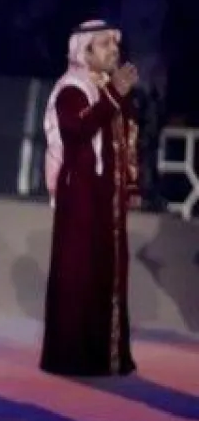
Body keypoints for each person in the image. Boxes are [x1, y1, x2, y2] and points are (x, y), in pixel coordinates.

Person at [41, 20, 139, 376]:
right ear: (85, 51)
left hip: (109, 197)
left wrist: (131, 184)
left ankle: (107, 355)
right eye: (104, 44)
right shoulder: (72, 88)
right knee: (79, 272)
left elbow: (128, 139)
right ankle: (72, 357)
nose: (113, 50)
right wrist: (113, 94)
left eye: (115, 44)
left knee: (108, 271)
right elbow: (77, 129)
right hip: (81, 195)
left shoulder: (112, 90)